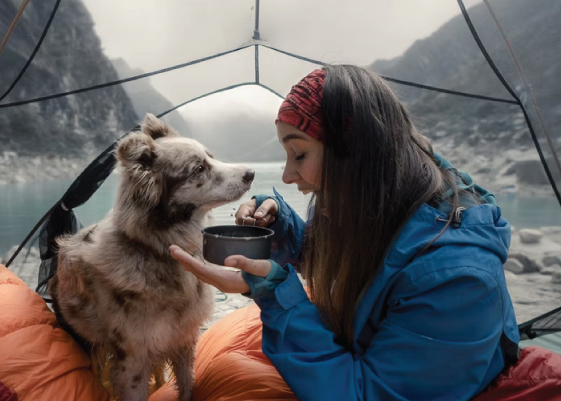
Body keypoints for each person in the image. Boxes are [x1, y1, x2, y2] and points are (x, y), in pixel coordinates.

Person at [169, 65, 519, 400]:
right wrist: (279, 231)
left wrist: (275, 294)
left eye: (299, 153)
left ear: (355, 151)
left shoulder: (456, 280)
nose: (288, 175)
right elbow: (349, 268)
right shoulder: (376, 194)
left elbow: (368, 394)